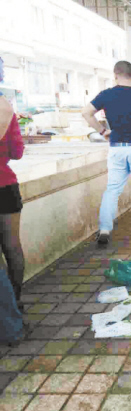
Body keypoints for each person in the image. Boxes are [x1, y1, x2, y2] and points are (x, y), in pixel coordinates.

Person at [82, 61, 131, 245]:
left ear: (115, 75)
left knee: (112, 189)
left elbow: (86, 112)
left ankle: (104, 229)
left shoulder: (107, 95)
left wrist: (102, 131)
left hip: (117, 148)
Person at [0, 57, 25, 311]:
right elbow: (17, 152)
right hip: (6, 186)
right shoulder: (6, 108)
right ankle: (15, 302)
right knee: (13, 247)